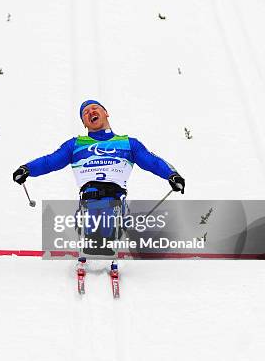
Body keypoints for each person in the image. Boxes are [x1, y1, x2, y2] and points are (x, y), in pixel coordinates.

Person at [13, 99, 185, 261]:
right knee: (94, 209)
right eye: (85, 113)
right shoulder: (76, 144)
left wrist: (172, 175)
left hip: (116, 200)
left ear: (106, 112)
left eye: (94, 108)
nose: (90, 112)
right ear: (84, 123)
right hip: (89, 200)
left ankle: (109, 236)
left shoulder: (128, 143)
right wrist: (26, 169)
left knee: (109, 209)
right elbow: (50, 161)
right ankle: (91, 236)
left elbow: (152, 161)